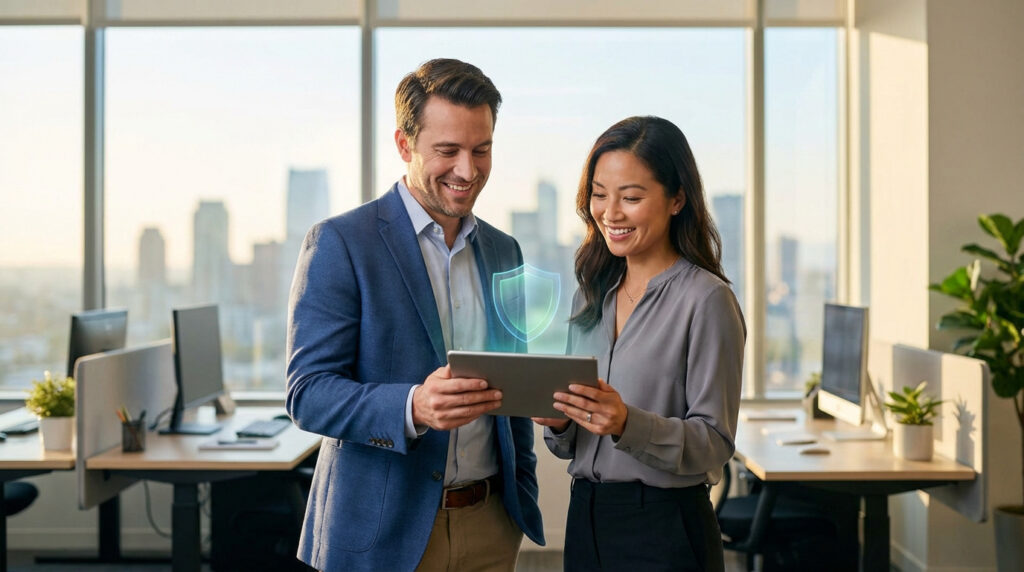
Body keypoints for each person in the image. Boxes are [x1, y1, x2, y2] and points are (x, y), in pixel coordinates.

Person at [286, 58, 544, 572]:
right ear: (405, 145)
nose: (467, 171)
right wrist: (413, 407)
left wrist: (520, 494)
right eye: (447, 151)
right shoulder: (341, 242)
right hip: (382, 534)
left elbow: (511, 394)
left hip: (490, 525)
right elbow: (307, 393)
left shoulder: (503, 251)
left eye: (482, 149)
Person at [533, 116, 745, 572]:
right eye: (599, 194)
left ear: (676, 200)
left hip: (664, 529)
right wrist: (560, 421)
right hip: (586, 517)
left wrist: (628, 422)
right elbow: (570, 445)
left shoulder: (707, 300)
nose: (611, 213)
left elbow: (715, 443)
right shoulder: (590, 295)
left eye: (631, 197)